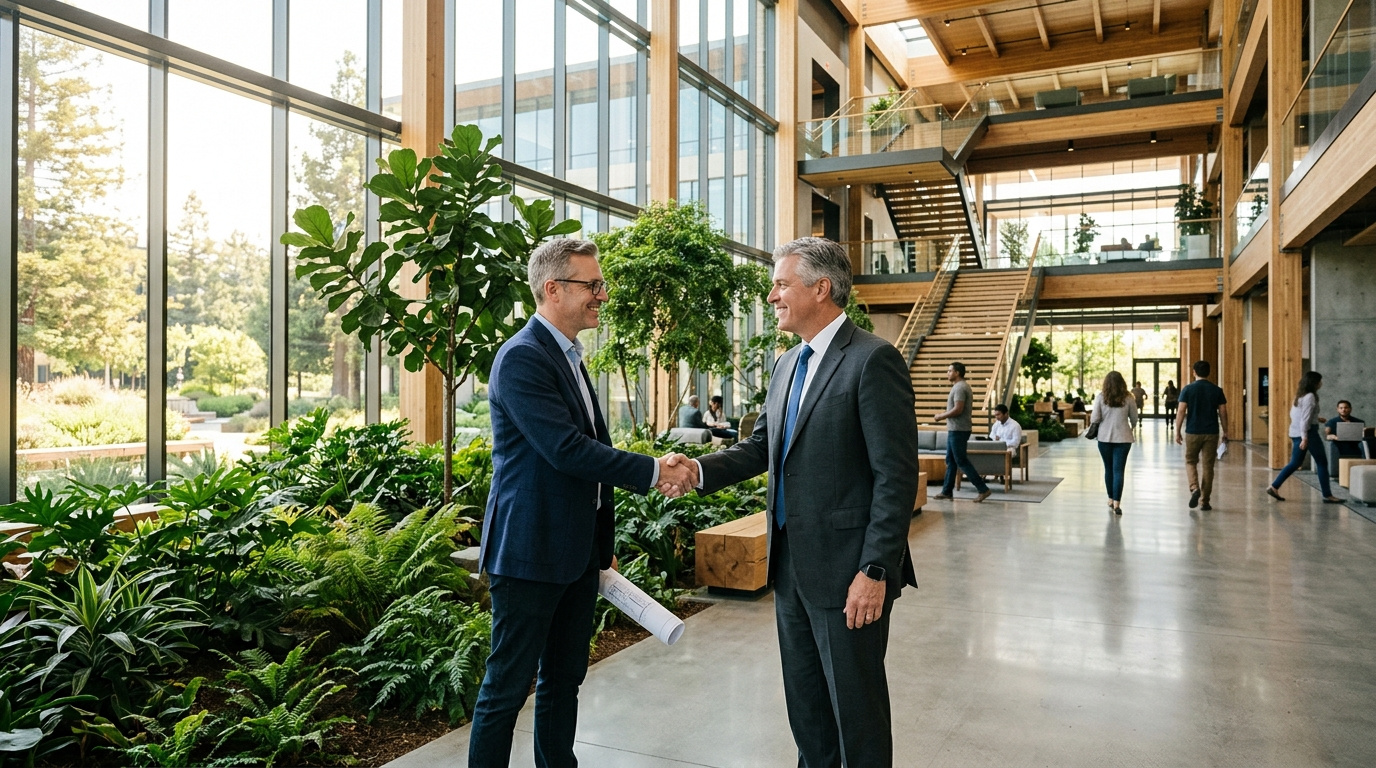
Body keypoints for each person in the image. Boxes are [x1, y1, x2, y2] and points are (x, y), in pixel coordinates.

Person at [665, 237, 919, 767]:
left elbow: (894, 477)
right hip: (791, 569)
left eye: (782, 284)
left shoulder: (874, 360)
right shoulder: (787, 365)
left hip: (850, 573)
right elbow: (763, 447)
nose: (772, 295)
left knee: (857, 715)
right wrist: (697, 470)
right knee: (807, 713)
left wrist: (875, 568)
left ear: (821, 288)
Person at [468, 239, 695, 768]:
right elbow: (568, 451)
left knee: (564, 679)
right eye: (591, 285)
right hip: (528, 552)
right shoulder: (523, 357)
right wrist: (651, 470)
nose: (602, 295)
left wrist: (600, 548)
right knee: (506, 687)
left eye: (600, 285)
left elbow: (590, 459)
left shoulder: (568, 356)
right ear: (553, 289)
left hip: (573, 555)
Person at [1267, 371, 1343, 503]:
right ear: (1314, 383)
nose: (1321, 383)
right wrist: (1305, 437)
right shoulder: (1310, 397)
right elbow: (1304, 419)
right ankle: (1327, 495)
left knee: (1295, 463)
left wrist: (1317, 418)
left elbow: (1297, 415)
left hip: (1297, 431)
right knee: (1322, 462)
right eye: (1319, 381)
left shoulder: (1300, 395)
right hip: (1308, 433)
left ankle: (1274, 487)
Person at [933, 361, 994, 503]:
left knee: (961, 460)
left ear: (957, 373)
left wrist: (941, 416)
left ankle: (983, 489)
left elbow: (958, 409)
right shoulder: (958, 386)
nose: (947, 373)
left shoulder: (960, 388)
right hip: (955, 429)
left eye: (950, 371)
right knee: (951, 461)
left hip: (959, 430)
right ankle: (947, 492)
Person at [1174, 360, 1229, 511]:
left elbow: (1181, 411)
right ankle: (1204, 501)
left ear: (1194, 372)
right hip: (1211, 432)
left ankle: (1194, 488)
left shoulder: (1188, 389)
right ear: (1209, 372)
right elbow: (1223, 412)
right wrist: (1225, 431)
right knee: (1208, 466)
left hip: (1192, 431)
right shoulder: (1217, 390)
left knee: (1191, 461)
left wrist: (1177, 430)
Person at [1092, 371, 1138, 515]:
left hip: (1104, 438)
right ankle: (1117, 503)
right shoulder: (1129, 398)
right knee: (1119, 470)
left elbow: (1094, 418)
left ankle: (1111, 498)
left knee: (1108, 469)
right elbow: (1135, 417)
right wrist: (1130, 427)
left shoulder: (1101, 397)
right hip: (1123, 438)